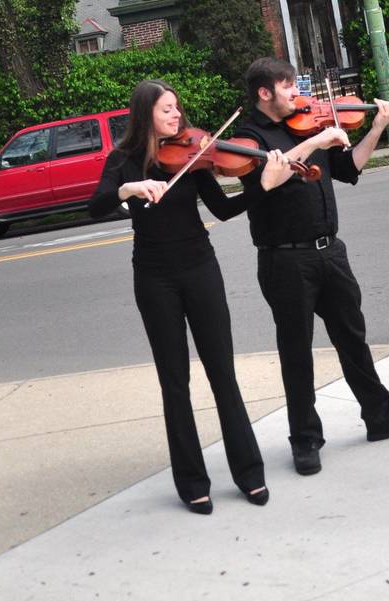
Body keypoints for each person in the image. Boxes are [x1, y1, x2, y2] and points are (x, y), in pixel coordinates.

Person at [88, 79, 295, 514]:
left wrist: (264, 185)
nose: (176, 116)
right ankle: (191, 481)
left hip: (200, 268)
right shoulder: (123, 160)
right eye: (167, 110)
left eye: (177, 108)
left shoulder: (196, 154)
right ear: (146, 114)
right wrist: (129, 189)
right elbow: (97, 203)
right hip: (153, 277)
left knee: (223, 373)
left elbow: (222, 210)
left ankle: (249, 472)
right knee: (174, 381)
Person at [231, 58, 389, 476]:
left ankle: (380, 416)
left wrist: (377, 126)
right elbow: (263, 181)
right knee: (296, 350)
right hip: (284, 258)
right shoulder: (250, 138)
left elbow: (349, 169)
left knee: (353, 338)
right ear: (264, 93)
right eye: (287, 88)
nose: (297, 94)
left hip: (330, 251)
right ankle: (305, 439)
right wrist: (317, 140)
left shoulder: (308, 122)